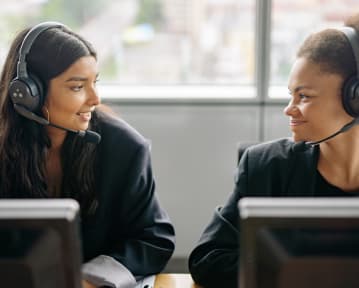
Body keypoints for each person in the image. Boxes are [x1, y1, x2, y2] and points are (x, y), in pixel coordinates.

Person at [188, 13, 359, 288]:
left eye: (303, 96)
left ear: (355, 98)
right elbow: (208, 259)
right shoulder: (266, 166)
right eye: (291, 94)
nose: (289, 109)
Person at [0, 22, 175, 288]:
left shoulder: (125, 148)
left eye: (95, 82)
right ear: (28, 94)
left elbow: (154, 239)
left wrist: (90, 278)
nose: (95, 98)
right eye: (77, 87)